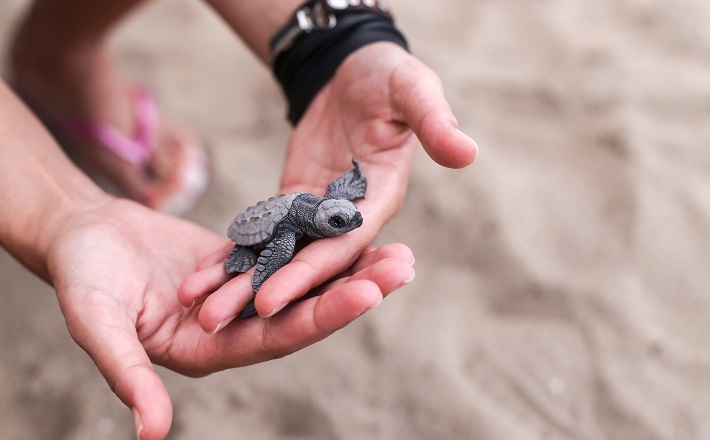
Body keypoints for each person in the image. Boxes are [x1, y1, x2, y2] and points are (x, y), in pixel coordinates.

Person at [1, 0, 477, 439]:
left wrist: (335, 45)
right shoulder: (291, 232)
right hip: (253, 230)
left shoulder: (328, 203)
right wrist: (57, 212)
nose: (348, 223)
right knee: (247, 268)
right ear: (318, 224)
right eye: (340, 222)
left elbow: (340, 199)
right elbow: (272, 255)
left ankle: (56, 55)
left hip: (281, 211)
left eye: (345, 218)